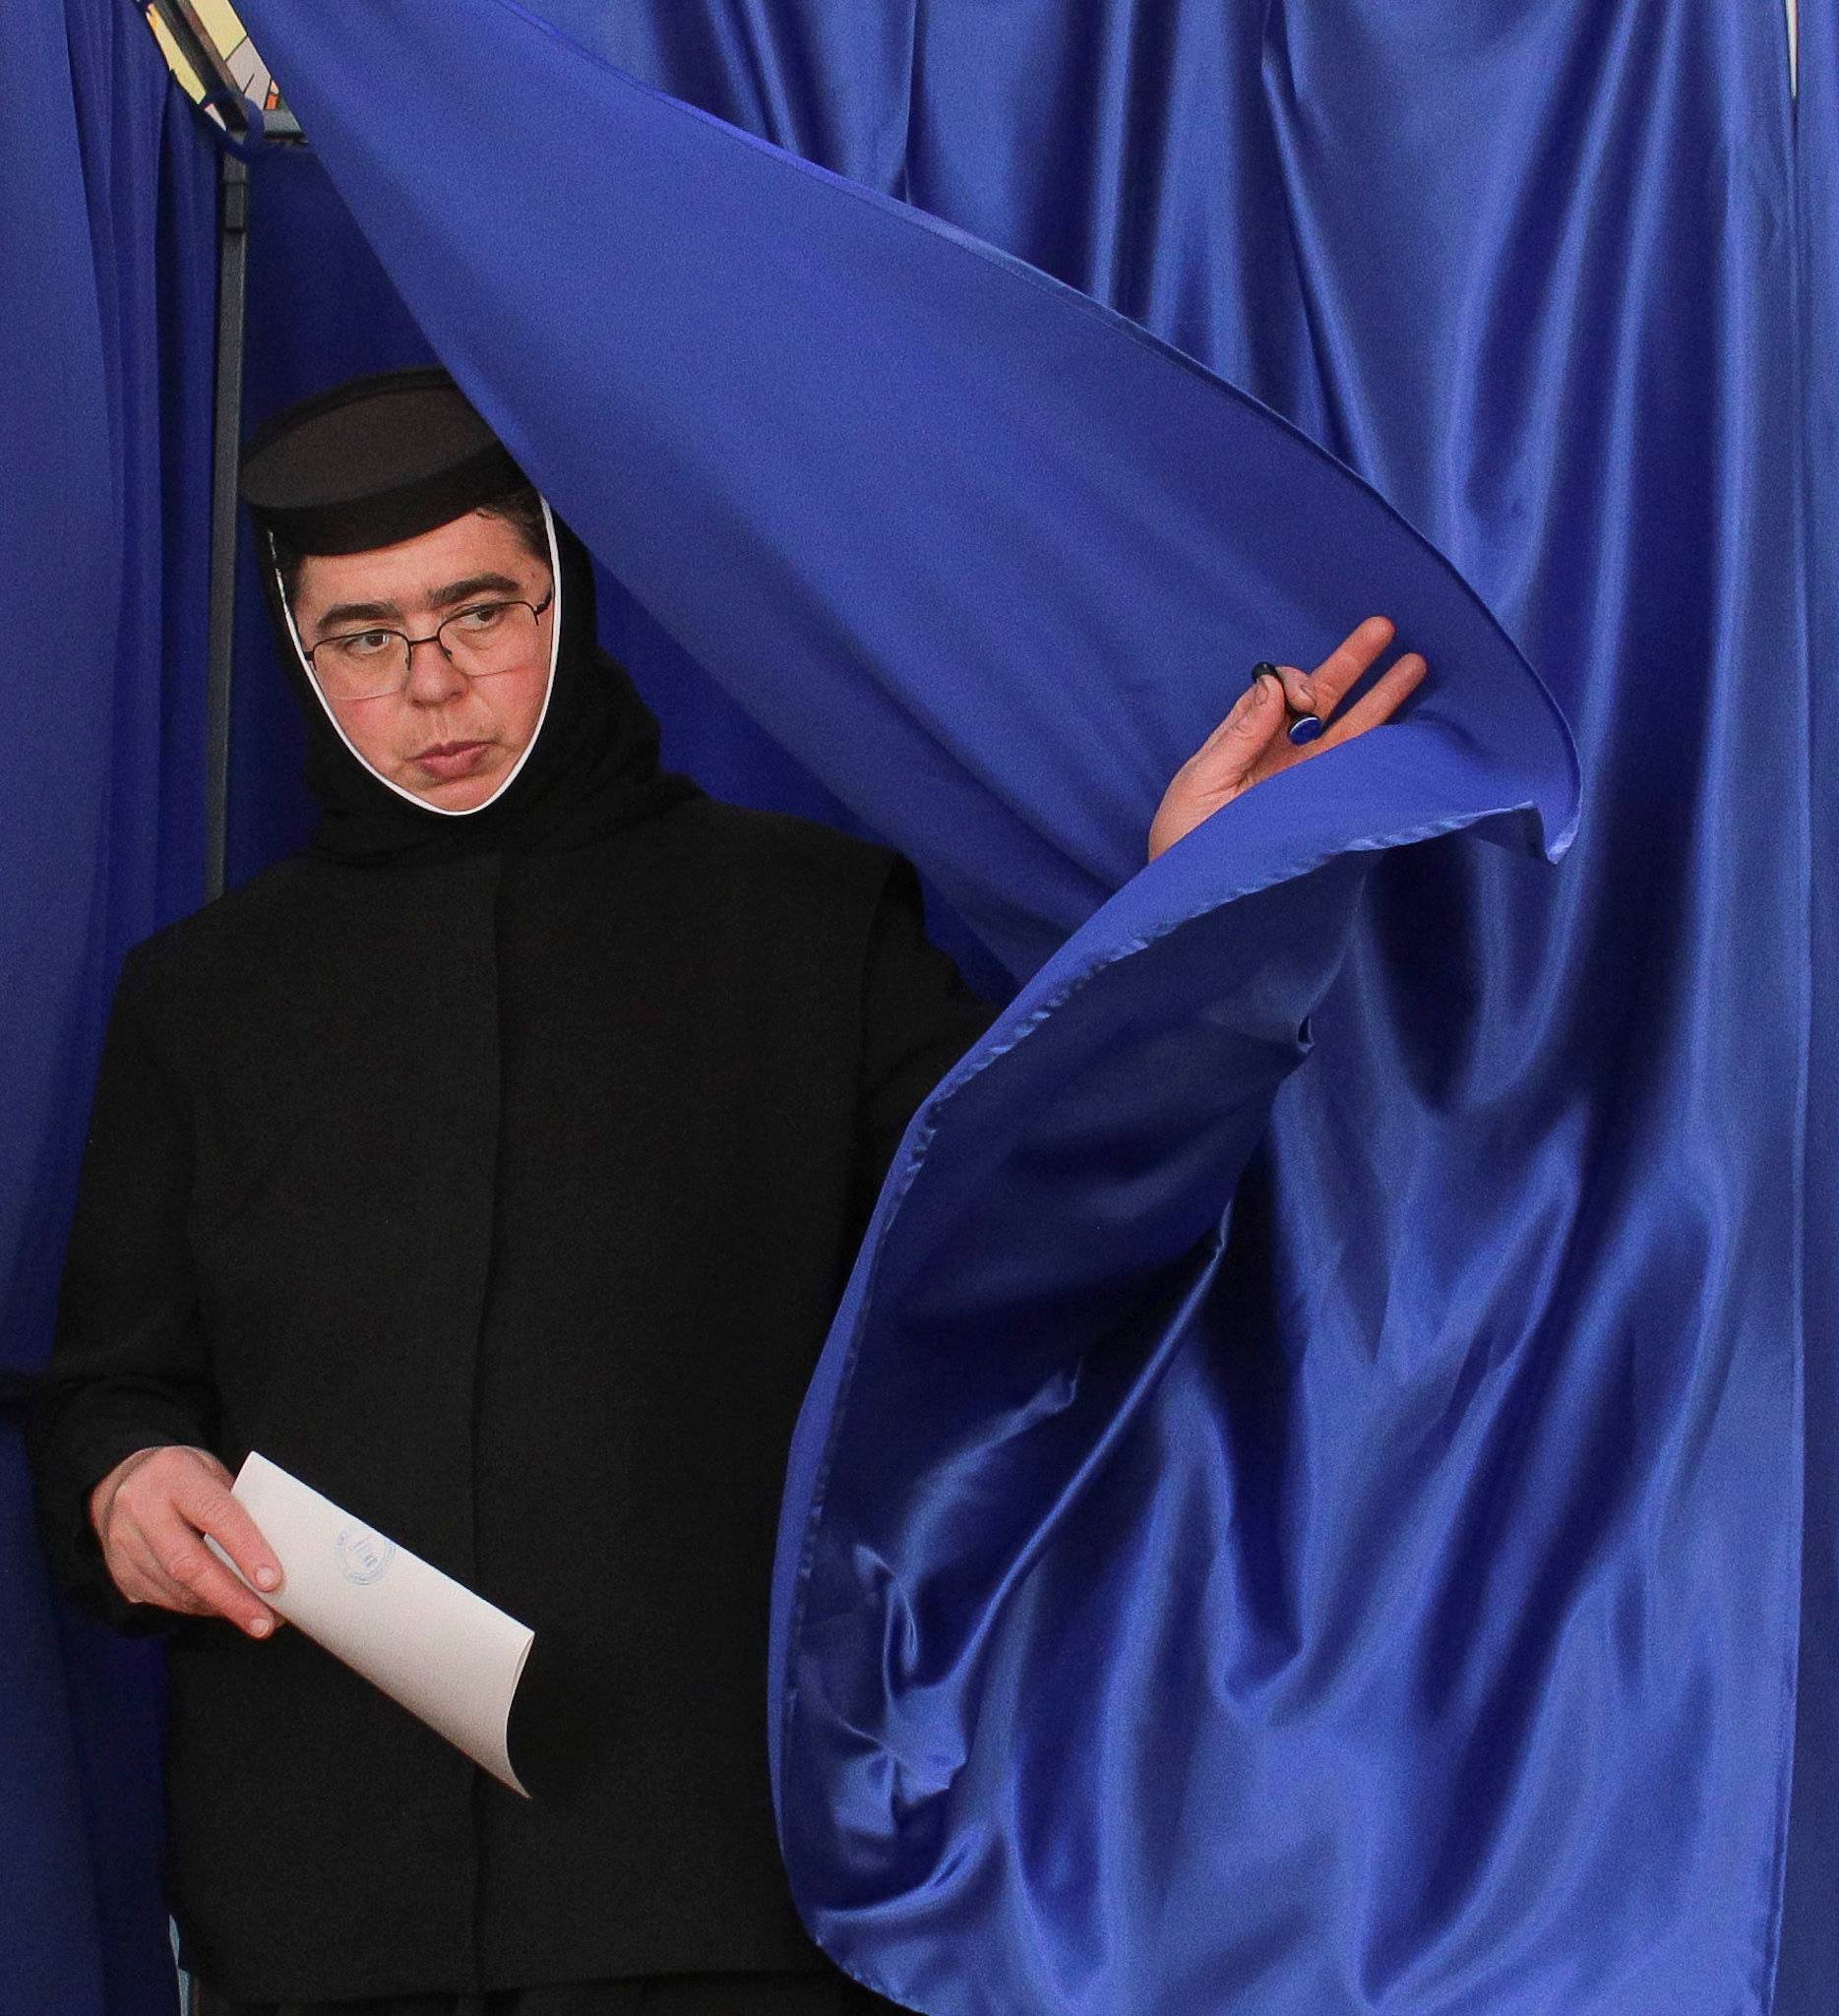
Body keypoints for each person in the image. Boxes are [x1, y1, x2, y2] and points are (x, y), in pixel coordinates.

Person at [29, 367, 1426, 2016]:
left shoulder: (803, 922)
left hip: (714, 1876)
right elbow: (114, 1379)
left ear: (568, 584)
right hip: (320, 1896)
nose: (432, 684)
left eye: (478, 609)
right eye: (365, 636)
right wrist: (126, 1482)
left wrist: (1181, 911)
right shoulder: (204, 998)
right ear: (300, 648)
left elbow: (1035, 1209)